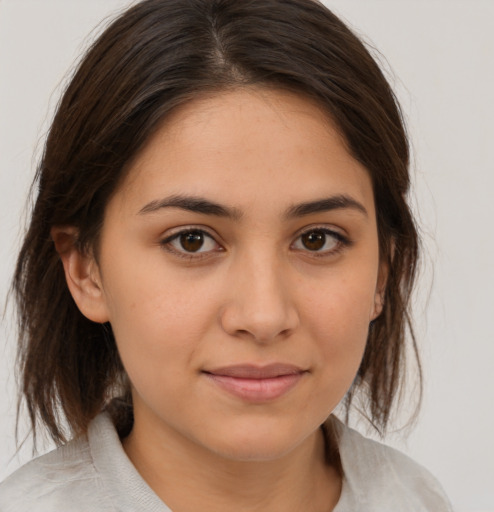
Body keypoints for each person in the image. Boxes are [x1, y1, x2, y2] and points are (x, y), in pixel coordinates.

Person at [0, 0, 453, 510]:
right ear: (86, 270)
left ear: (382, 273)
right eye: (191, 239)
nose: (263, 316)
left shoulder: (418, 499)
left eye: (317, 239)